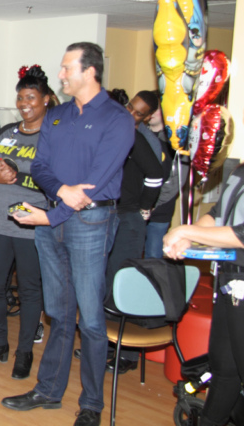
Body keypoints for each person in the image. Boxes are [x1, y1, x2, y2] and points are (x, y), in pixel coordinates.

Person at [2, 42, 134, 426]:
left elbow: (98, 180)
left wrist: (51, 215)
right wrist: (59, 197)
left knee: (90, 320)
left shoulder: (117, 118)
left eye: (66, 68)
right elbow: (39, 166)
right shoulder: (57, 116)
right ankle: (47, 392)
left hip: (91, 223)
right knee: (58, 314)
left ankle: (91, 404)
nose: (60, 75)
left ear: (90, 71)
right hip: (54, 219)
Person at [0, 64, 51, 380]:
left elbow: (59, 184)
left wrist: (20, 177)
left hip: (33, 227)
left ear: (46, 99)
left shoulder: (54, 136)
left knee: (31, 291)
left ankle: (24, 352)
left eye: (31, 97)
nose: (24, 104)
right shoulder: (7, 132)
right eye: (20, 98)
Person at [164, 161, 244, 426]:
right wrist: (191, 237)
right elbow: (218, 213)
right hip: (231, 283)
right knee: (225, 369)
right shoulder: (240, 171)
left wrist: (185, 230)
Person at [103, 90, 164, 374]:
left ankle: (126, 354)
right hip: (110, 214)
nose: (130, 114)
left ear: (147, 117)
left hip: (128, 219)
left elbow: (156, 175)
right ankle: (103, 344)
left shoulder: (139, 138)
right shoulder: (117, 131)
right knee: (106, 280)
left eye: (138, 113)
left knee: (122, 282)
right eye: (130, 107)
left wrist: (144, 207)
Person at [145, 103, 182, 259]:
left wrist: (153, 204)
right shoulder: (140, 135)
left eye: (157, 108)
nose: (152, 112)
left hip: (160, 210)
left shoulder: (174, 142)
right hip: (136, 209)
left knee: (153, 258)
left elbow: (176, 181)